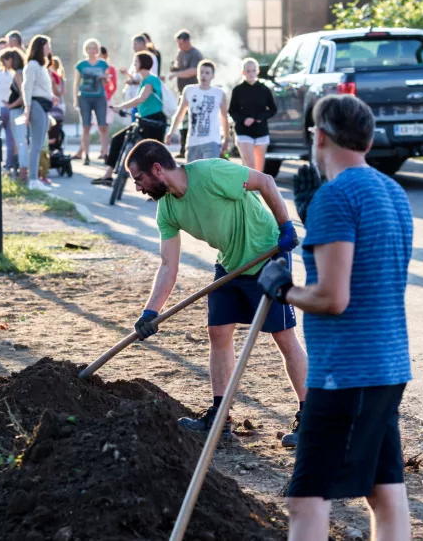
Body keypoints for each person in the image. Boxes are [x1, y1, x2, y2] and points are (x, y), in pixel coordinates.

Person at [257, 95, 413, 540]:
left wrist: (282, 289)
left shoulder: (336, 197)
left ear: (320, 135)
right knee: (385, 493)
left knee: (306, 498)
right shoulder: (393, 192)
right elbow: (368, 269)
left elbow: (334, 297)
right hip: (388, 367)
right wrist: (315, 216)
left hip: (345, 373)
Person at [127, 141, 307, 446]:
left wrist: (285, 226)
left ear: (156, 169)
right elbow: (169, 265)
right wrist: (150, 312)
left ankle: (311, 416)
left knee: (283, 336)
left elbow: (265, 181)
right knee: (218, 332)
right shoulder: (167, 209)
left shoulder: (211, 173)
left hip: (266, 255)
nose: (139, 188)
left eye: (139, 179)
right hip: (230, 264)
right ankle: (221, 417)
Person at [91, 51, 168, 187]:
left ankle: (157, 185)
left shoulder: (151, 80)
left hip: (154, 121)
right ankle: (108, 175)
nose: (134, 64)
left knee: (152, 155)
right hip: (143, 119)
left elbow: (141, 98)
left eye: (136, 62)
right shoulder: (144, 80)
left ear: (143, 63)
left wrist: (121, 107)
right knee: (117, 139)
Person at [167, 60, 228, 162]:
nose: (203, 75)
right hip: (193, 141)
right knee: (192, 174)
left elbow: (224, 117)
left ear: (212, 75)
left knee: (209, 172)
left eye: (207, 73)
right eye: (201, 72)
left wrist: (226, 138)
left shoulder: (219, 93)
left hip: (212, 140)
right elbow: (180, 113)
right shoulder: (189, 90)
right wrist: (171, 132)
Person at [230, 57, 277, 172]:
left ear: (257, 71)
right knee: (250, 166)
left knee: (259, 170)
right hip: (243, 131)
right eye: (248, 71)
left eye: (253, 70)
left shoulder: (264, 89)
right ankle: (247, 189)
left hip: (261, 131)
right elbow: (232, 110)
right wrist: (243, 120)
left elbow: (272, 109)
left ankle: (256, 189)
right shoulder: (238, 90)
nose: (251, 73)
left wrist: (260, 117)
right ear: (243, 72)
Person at [22, 35, 56, 192]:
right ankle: (33, 179)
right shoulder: (32, 65)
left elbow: (41, 88)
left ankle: (35, 178)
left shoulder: (42, 66)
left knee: (39, 143)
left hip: (43, 104)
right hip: (35, 105)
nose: (49, 48)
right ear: (40, 47)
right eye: (47, 45)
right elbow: (26, 88)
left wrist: (51, 96)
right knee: (36, 144)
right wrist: (27, 109)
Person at [73, 38, 110, 166]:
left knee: (102, 125)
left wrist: (104, 78)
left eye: (94, 48)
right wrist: (75, 100)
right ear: (86, 50)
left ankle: (105, 152)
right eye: (89, 48)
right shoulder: (81, 65)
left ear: (98, 50)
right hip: (85, 97)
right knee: (86, 126)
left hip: (99, 96)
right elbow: (76, 83)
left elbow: (107, 82)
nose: (92, 51)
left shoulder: (103, 64)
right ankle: (86, 155)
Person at [169, 30, 203, 158]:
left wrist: (176, 74)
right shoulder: (180, 53)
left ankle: (195, 148)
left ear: (187, 41)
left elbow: (192, 71)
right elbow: (178, 67)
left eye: (181, 43)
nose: (179, 46)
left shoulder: (195, 54)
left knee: (193, 122)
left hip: (194, 94)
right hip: (182, 92)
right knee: (182, 121)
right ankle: (183, 148)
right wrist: (174, 70)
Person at [1, 49, 25, 172]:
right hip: (16, 109)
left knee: (19, 140)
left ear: (10, 60)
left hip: (17, 111)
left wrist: (10, 106)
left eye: (4, 61)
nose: (4, 65)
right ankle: (18, 166)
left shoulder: (18, 74)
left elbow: (23, 95)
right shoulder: (19, 72)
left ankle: (20, 167)